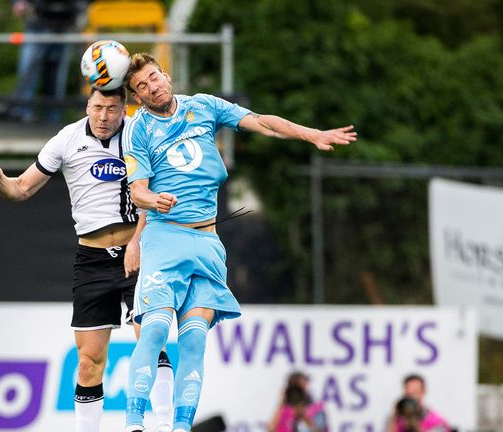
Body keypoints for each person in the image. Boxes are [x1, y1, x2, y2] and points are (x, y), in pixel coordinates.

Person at [120, 53, 357, 432]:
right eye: (141, 87)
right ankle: (134, 423)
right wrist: (154, 200)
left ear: (165, 74)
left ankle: (180, 428)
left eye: (153, 77)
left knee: (194, 341)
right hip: (165, 239)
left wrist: (312, 134)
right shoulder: (138, 129)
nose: (152, 87)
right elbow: (138, 192)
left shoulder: (203, 106)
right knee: (155, 329)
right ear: (137, 96)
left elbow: (262, 122)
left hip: (208, 241)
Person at [0, 86, 174, 432]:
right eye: (97, 108)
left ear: (124, 109)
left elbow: (154, 191)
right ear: (88, 105)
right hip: (93, 260)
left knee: (151, 339)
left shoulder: (139, 133)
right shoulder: (67, 139)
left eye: (112, 109)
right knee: (88, 362)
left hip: (138, 253)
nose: (103, 117)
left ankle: (163, 425)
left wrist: (139, 241)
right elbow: (20, 188)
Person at [8, 0, 87, 123]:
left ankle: (53, 117)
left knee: (56, 78)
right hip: (37, 23)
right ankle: (22, 112)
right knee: (28, 72)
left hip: (64, 25)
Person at [386, 374, 451, 432]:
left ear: (423, 392)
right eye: (408, 394)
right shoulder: (398, 420)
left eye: (415, 392)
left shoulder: (436, 421)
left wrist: (415, 425)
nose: (411, 398)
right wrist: (394, 416)